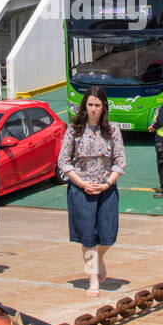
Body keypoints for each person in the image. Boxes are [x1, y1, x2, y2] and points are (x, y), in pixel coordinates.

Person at [57, 87, 125, 297]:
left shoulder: (112, 130)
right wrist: (81, 183)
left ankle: (100, 258)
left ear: (104, 107)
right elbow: (64, 162)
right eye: (90, 105)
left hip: (105, 188)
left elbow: (120, 161)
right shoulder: (74, 130)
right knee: (87, 237)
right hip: (81, 189)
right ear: (84, 106)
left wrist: (107, 183)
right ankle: (93, 279)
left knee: (107, 236)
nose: (93, 109)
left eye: (97, 105)